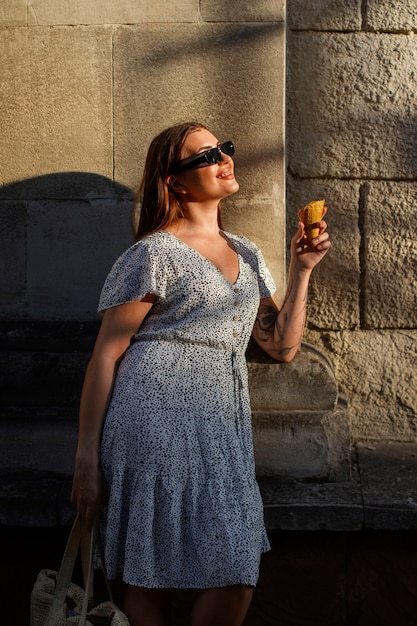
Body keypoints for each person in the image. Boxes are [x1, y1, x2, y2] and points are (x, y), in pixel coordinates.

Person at [71, 121, 331, 626]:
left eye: (224, 148)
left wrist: (302, 270)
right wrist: (86, 460)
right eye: (207, 154)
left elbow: (280, 346)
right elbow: (106, 354)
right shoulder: (152, 254)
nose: (224, 158)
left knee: (236, 573)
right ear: (174, 181)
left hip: (222, 433)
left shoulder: (248, 253)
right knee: (149, 579)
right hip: (151, 426)